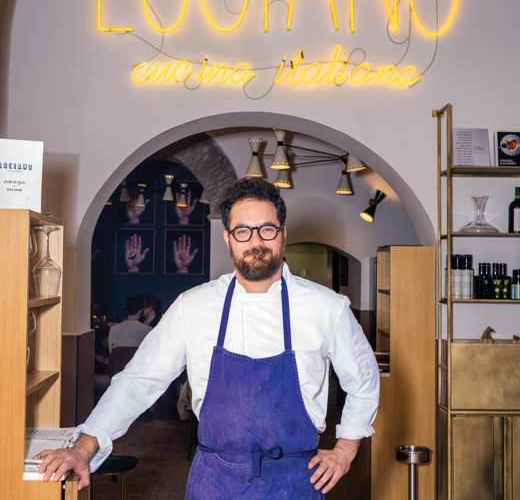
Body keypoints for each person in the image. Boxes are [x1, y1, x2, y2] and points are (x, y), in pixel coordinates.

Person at [34, 178, 379, 498]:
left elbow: (363, 379)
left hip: (294, 481)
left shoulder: (326, 306)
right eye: (243, 231)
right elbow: (139, 381)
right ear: (227, 237)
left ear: (283, 234)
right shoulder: (193, 306)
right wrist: (84, 446)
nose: (256, 241)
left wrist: (345, 450)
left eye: (267, 229)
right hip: (215, 481)